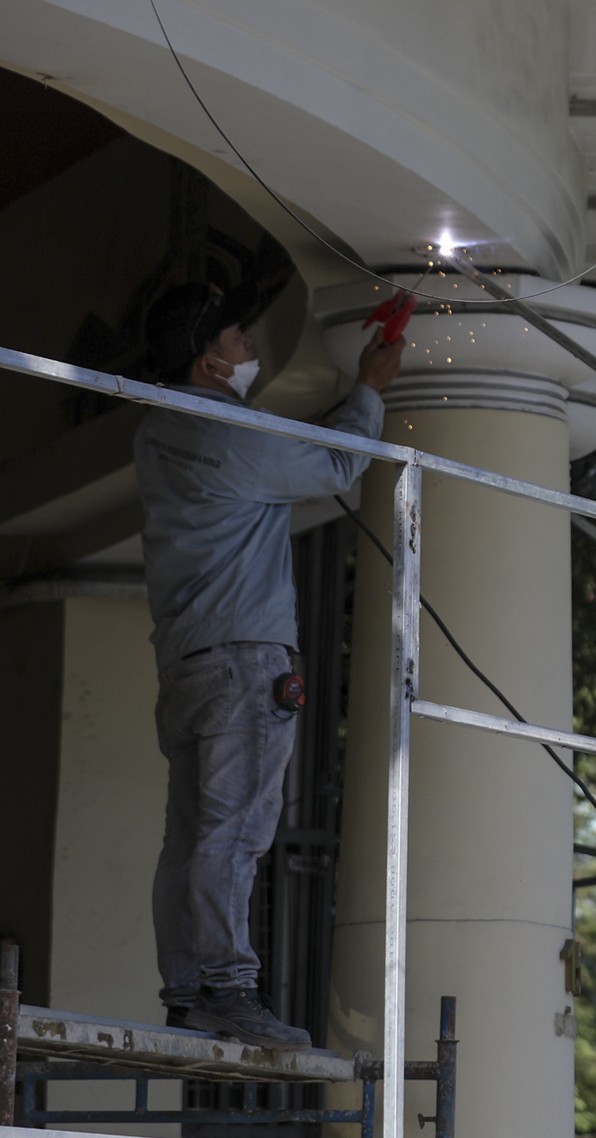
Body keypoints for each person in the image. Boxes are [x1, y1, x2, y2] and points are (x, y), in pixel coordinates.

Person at [134, 279, 402, 1048]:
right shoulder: (224, 431)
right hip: (244, 665)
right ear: (208, 365)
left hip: (187, 665)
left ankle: (187, 993)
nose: (249, 349)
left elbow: (270, 463)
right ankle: (229, 990)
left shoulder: (161, 432)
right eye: (236, 340)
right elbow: (336, 470)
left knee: (188, 837)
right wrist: (369, 391)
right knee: (235, 833)